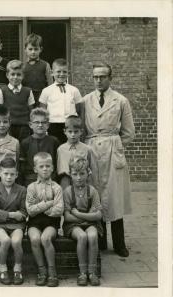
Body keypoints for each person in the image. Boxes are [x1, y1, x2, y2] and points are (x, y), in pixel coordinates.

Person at [79, 62, 135, 257]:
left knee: (115, 197)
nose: (98, 80)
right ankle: (100, 241)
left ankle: (119, 244)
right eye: (95, 77)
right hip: (92, 149)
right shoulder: (85, 100)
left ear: (110, 78)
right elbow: (81, 129)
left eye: (102, 76)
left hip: (113, 151)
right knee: (95, 195)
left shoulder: (121, 101)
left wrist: (116, 145)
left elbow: (129, 132)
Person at [63, 156, 103, 286]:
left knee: (92, 236)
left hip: (90, 223)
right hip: (73, 225)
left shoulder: (92, 191)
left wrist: (78, 213)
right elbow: (67, 217)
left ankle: (92, 272)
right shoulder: (68, 192)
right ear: (70, 174)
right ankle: (82, 273)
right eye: (75, 174)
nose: (79, 177)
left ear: (88, 173)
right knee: (82, 236)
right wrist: (86, 216)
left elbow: (98, 216)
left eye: (82, 174)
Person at [26, 152, 63, 287]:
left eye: (48, 166)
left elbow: (59, 209)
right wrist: (48, 204)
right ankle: (42, 271)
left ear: (53, 168)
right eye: (41, 166)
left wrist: (39, 206)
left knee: (45, 239)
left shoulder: (56, 188)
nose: (45, 169)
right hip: (34, 222)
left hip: (51, 223)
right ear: (35, 169)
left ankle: (52, 272)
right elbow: (30, 210)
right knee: (35, 239)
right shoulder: (31, 187)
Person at [0, 158, 27, 285]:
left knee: (16, 241)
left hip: (17, 225)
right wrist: (12, 214)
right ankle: (3, 268)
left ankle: (18, 269)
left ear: (16, 174)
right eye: (6, 174)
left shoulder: (22, 190)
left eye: (12, 174)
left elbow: (23, 212)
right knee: (5, 240)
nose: (9, 177)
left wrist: (19, 216)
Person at [39, 58, 83, 143]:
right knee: (54, 148)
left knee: (70, 148)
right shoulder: (47, 91)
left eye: (64, 72)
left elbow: (79, 110)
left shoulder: (74, 90)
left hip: (70, 126)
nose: (61, 74)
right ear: (52, 73)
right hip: (53, 125)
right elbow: (43, 111)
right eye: (58, 71)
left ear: (68, 73)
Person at [56, 115, 98, 190]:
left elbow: (91, 170)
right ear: (65, 132)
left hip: (82, 181)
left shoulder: (87, 149)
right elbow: (59, 170)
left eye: (76, 132)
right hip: (66, 183)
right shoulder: (60, 149)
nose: (73, 135)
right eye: (70, 132)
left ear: (81, 132)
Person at [0, 59, 36, 142]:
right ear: (7, 75)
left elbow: (31, 110)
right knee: (9, 146)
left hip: (24, 126)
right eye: (12, 74)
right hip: (9, 126)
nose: (15, 77)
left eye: (18, 74)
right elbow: (0, 111)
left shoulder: (28, 91)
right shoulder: (2, 90)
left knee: (24, 145)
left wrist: (32, 125)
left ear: (23, 76)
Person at [20, 108, 60, 186]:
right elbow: (22, 168)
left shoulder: (54, 141)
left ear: (48, 125)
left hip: (50, 180)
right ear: (30, 125)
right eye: (37, 122)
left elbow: (57, 164)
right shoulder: (25, 142)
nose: (40, 125)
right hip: (31, 180)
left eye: (43, 122)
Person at [22, 33, 53, 104]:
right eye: (30, 49)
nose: (33, 52)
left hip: (42, 98)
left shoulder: (45, 65)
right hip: (27, 98)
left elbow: (50, 85)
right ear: (25, 49)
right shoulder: (22, 66)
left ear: (40, 49)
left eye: (36, 49)